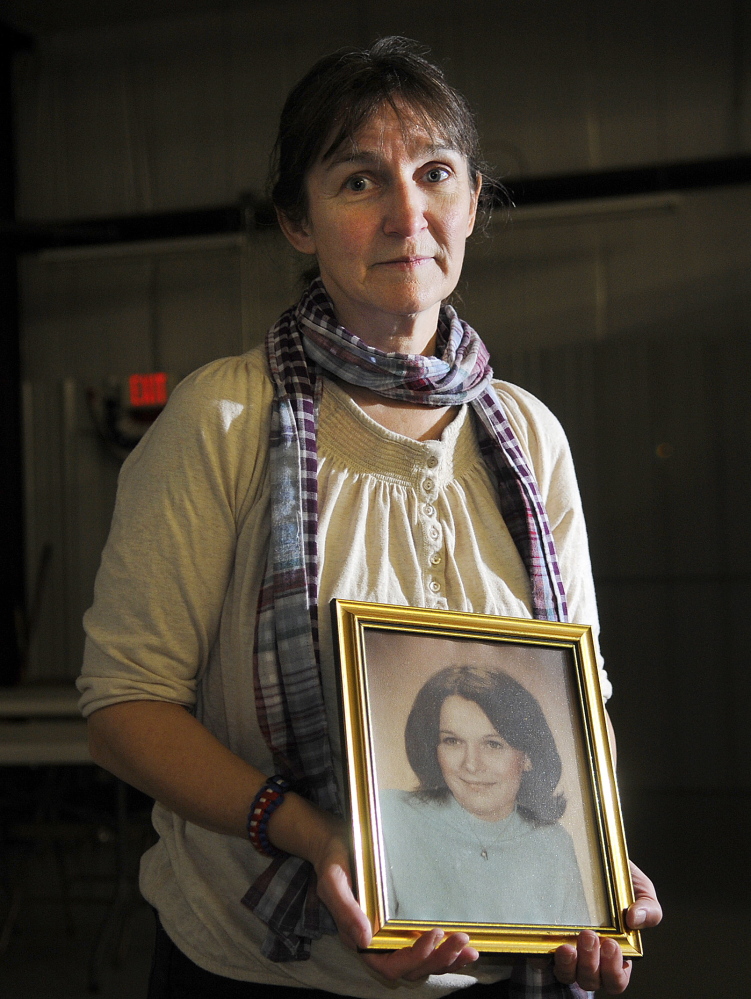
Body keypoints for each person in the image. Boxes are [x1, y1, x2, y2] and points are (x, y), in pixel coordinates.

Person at [78, 35, 661, 999]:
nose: (406, 214)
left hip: (509, 966)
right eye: (357, 181)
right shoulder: (225, 419)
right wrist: (314, 833)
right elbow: (123, 709)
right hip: (263, 972)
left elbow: (570, 695)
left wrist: (590, 859)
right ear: (297, 222)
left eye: (434, 173)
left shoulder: (525, 433)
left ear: (472, 199)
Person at [380, 666, 589, 926]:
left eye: (493, 744)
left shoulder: (554, 845)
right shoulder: (390, 814)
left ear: (528, 756)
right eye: (452, 741)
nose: (471, 765)